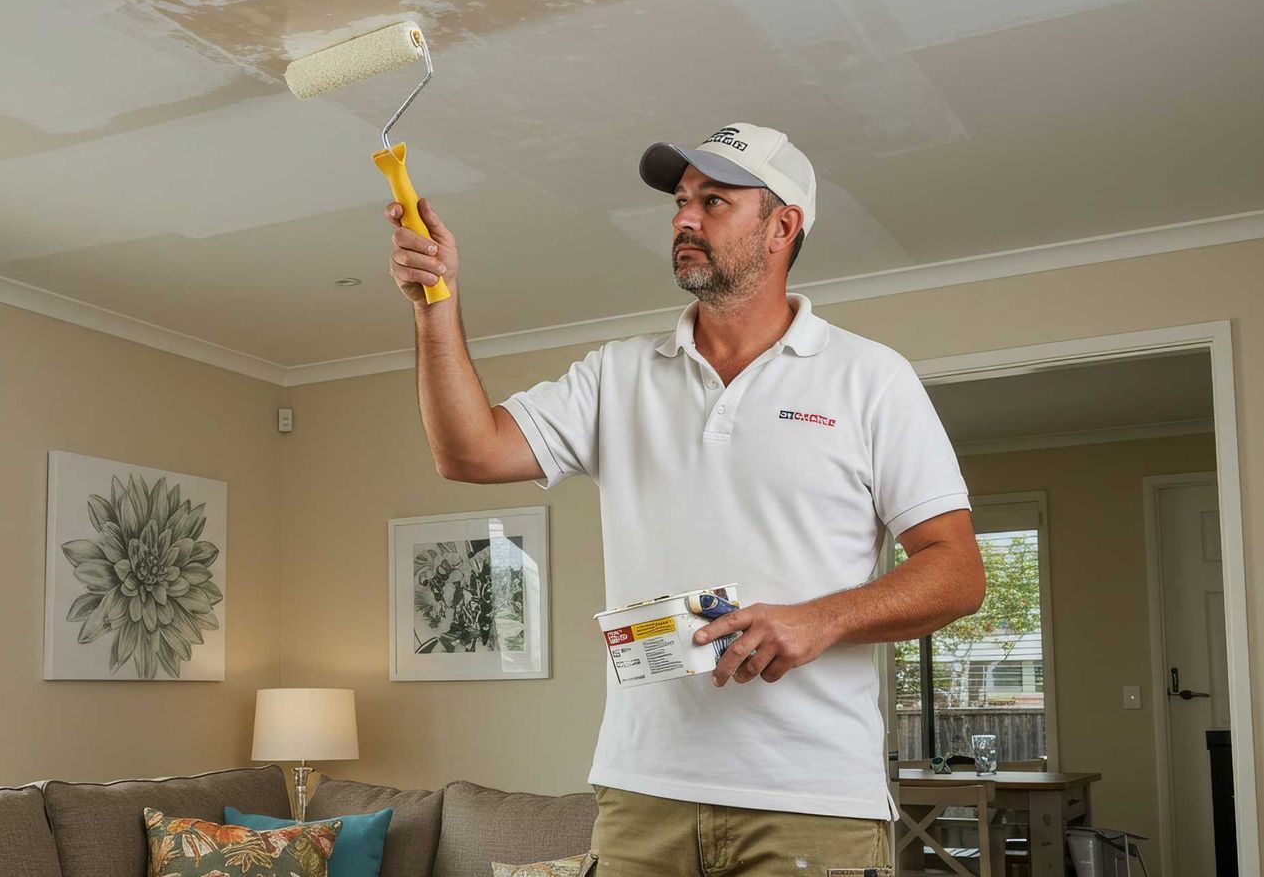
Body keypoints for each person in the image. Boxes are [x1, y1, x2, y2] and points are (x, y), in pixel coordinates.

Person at [382, 122, 986, 876]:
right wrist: (433, 304)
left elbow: (958, 570)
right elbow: (467, 450)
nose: (684, 219)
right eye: (680, 201)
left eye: (714, 201)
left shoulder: (871, 378)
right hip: (642, 796)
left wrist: (819, 618)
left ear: (782, 226)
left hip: (813, 800)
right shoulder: (617, 375)